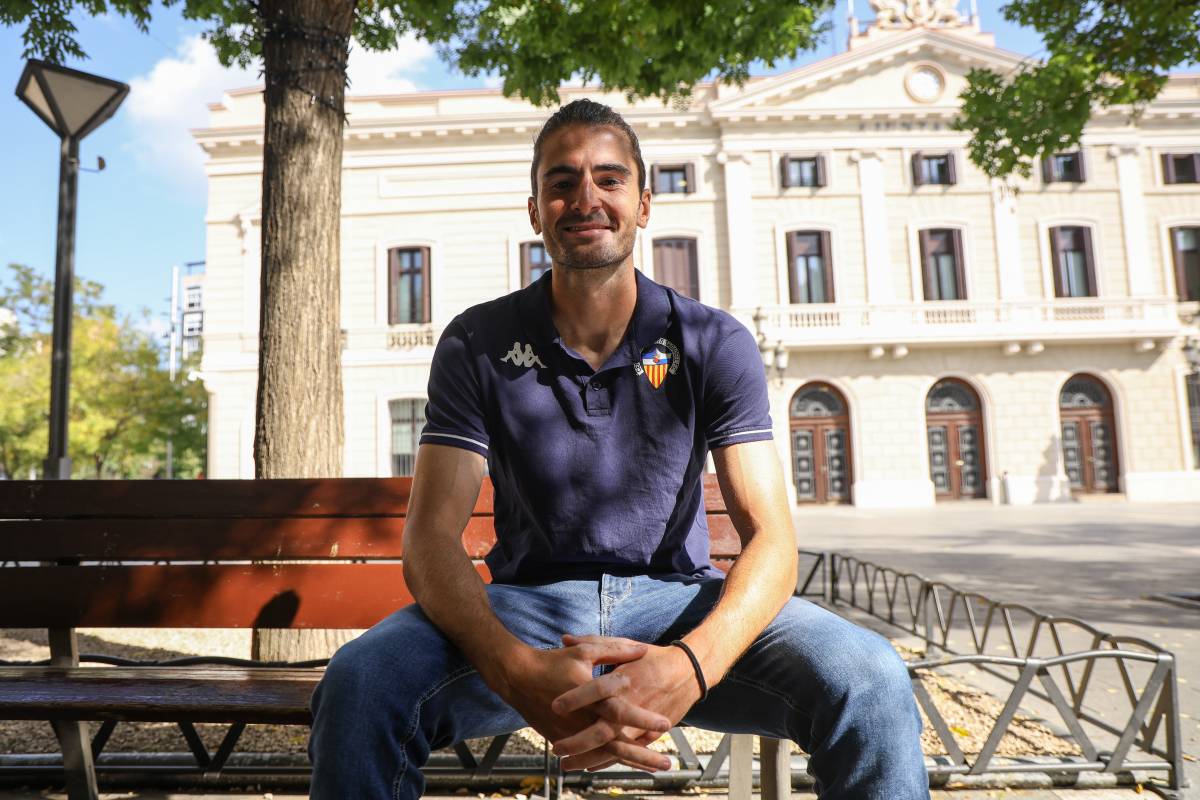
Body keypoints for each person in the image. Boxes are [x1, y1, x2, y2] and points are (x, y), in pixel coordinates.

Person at [308, 99, 928, 800]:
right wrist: (514, 670)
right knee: (361, 683)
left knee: (871, 676)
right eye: (562, 181)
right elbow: (428, 540)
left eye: (609, 178)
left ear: (644, 203)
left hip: (678, 606)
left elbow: (774, 540)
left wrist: (690, 667)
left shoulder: (712, 342)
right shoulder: (475, 342)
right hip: (526, 610)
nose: (586, 198)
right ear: (536, 210)